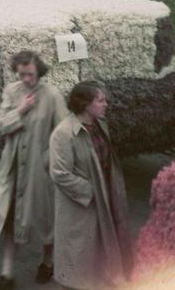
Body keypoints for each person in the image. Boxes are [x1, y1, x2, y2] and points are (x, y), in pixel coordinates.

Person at [0, 50, 64, 289]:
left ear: (38, 71)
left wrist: (49, 161)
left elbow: (63, 133)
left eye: (30, 74)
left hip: (40, 170)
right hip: (13, 168)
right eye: (22, 75)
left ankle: (47, 262)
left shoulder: (52, 95)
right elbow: (1, 125)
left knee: (46, 218)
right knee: (12, 219)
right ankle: (7, 273)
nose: (27, 80)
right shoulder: (12, 92)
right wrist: (20, 109)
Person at [49, 82, 133, 290]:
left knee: (102, 255)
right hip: (81, 207)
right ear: (85, 104)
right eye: (101, 100)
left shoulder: (99, 125)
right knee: (78, 259)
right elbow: (60, 173)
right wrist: (93, 191)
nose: (106, 104)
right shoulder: (64, 133)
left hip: (104, 198)